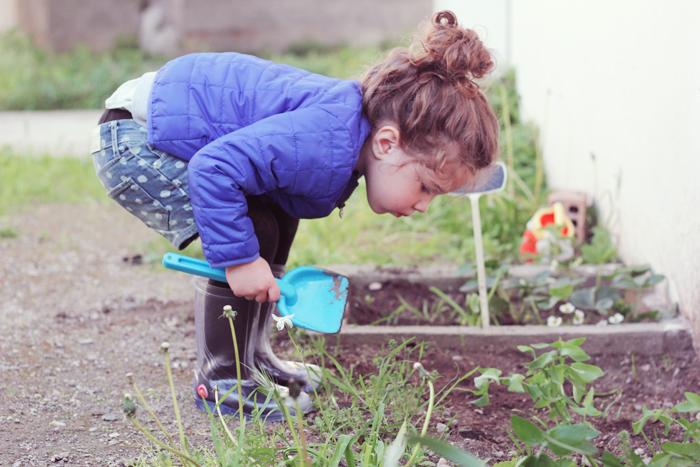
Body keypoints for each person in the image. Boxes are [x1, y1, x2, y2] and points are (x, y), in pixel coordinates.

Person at [90, 10, 499, 421]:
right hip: (134, 140)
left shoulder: (343, 138)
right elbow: (213, 168)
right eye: (426, 186)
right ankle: (221, 380)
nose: (424, 204)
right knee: (251, 232)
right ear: (388, 144)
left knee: (276, 219)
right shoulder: (324, 141)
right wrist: (241, 262)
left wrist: (256, 262)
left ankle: (254, 358)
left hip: (164, 133)